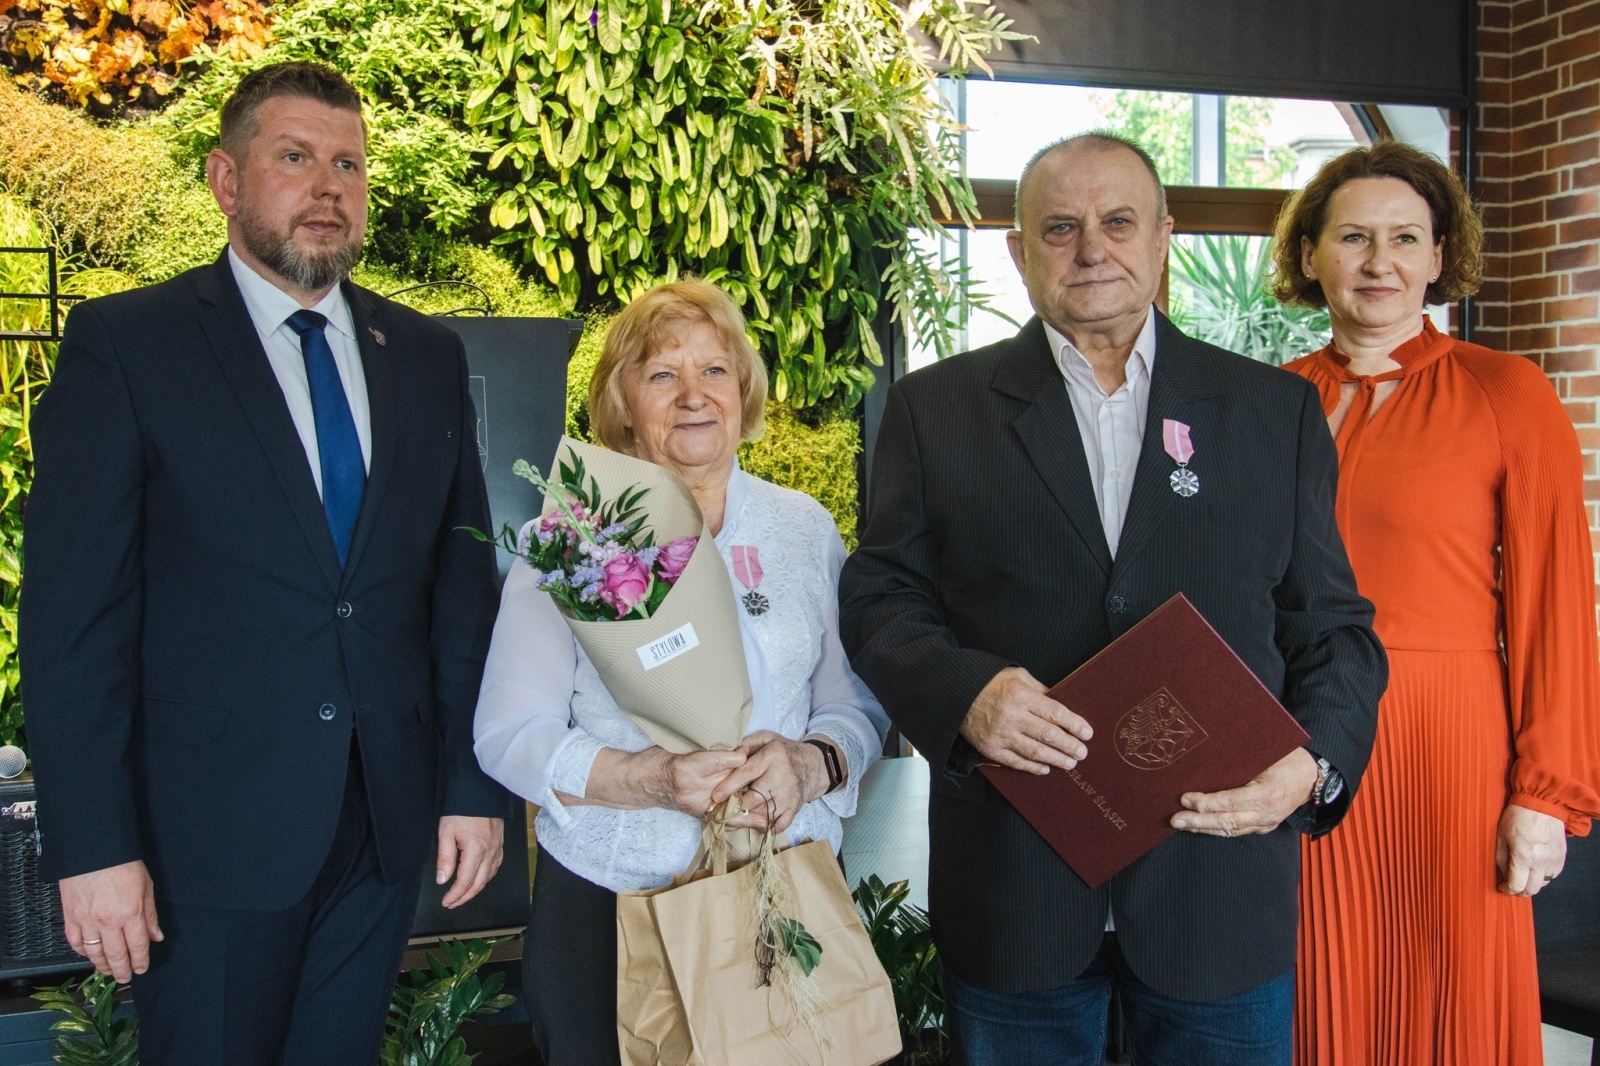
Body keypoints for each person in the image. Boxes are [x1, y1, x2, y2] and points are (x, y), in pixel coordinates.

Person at [838, 132, 1387, 1066]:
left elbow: (1333, 630)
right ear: (1018, 251)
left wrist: (1312, 767)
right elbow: (881, 595)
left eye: (1119, 222)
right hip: (1017, 885)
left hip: (1217, 890)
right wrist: (965, 695)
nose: (1092, 248)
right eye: (1060, 228)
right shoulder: (937, 409)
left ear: (1164, 237)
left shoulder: (1273, 413)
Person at [19, 62, 509, 1063]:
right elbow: (73, 623)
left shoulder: (426, 356)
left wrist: (474, 786)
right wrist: (96, 845)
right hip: (199, 845)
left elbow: (461, 595)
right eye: (294, 158)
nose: (327, 187)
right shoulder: (129, 346)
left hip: (382, 831)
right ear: (226, 179)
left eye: (348, 165)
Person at [472, 278, 890, 1065]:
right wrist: (652, 779)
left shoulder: (803, 528)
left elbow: (855, 707)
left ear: (744, 391)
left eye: (715, 371)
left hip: (786, 894)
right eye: (663, 374)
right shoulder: (575, 536)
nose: (694, 396)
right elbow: (509, 734)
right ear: (624, 402)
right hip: (609, 906)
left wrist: (809, 764)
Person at [1273, 140, 1600, 1065]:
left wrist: (1545, 795)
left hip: (1451, 746)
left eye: (1406, 237)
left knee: (1449, 991)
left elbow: (1557, 609)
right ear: (1310, 256)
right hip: (1300, 738)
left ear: (1439, 255)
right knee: (1313, 990)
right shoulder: (1268, 401)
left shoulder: (1508, 393)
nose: (1380, 261)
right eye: (1353, 237)